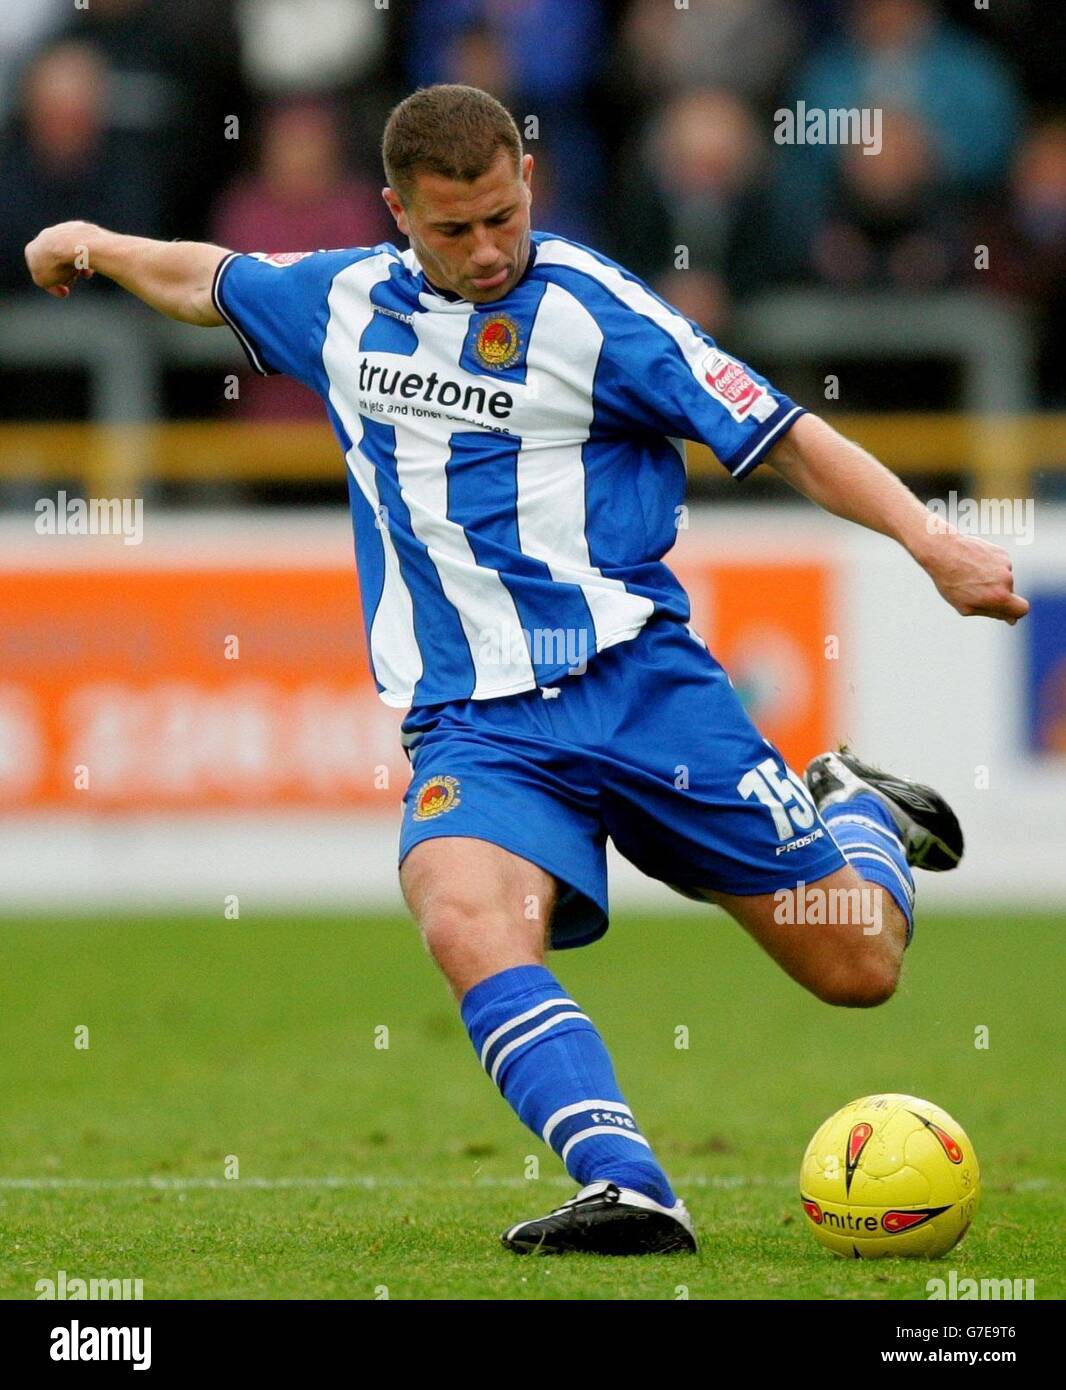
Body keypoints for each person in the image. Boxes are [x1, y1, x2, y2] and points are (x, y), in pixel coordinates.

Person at [25, 84, 1027, 1256]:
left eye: (504, 216)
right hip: (474, 724)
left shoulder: (597, 311)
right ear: (398, 211)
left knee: (856, 964)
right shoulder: (343, 301)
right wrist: (91, 242)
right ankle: (630, 1184)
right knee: (462, 913)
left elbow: (784, 433)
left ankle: (852, 811)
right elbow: (209, 279)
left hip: (643, 690)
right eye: (454, 231)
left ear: (527, 186)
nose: (489, 249)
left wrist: (930, 541)